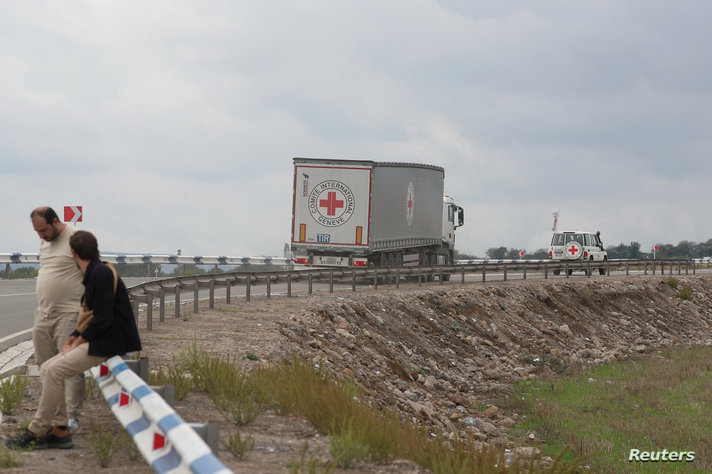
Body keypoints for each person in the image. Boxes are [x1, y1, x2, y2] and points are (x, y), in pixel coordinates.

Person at [6, 230, 142, 450]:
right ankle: (60, 430)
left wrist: (78, 340)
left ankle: (37, 430)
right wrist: (75, 337)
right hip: (101, 340)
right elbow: (95, 316)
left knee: (53, 370)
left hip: (108, 344)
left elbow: (103, 318)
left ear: (73, 253)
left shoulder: (100, 274)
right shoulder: (95, 271)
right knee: (47, 367)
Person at [29, 206, 85, 432]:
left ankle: (71, 417)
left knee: (68, 366)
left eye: (43, 230)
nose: (41, 235)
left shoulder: (75, 239)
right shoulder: (45, 242)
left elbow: (90, 273)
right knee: (45, 367)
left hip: (69, 313)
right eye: (37, 232)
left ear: (55, 221)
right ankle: (57, 419)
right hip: (43, 313)